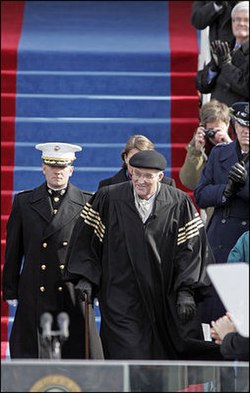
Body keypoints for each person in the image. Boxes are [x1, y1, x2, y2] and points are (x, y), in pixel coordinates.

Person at [64, 149, 222, 361]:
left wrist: (186, 289)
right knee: (127, 353)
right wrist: (86, 277)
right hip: (120, 294)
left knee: (163, 356)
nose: (140, 180)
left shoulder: (179, 203)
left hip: (163, 294)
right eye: (136, 174)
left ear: (160, 177)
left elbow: (192, 248)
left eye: (148, 176)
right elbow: (87, 239)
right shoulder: (108, 198)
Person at [2, 142, 103, 359]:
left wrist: (95, 286)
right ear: (43, 168)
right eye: (52, 166)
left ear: (71, 170)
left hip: (72, 288)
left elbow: (94, 251)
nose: (58, 172)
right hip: (35, 286)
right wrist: (10, 288)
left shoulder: (87, 202)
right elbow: (13, 249)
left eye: (63, 167)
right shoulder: (24, 202)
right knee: (33, 352)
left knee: (77, 350)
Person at [194, 102, 249, 322]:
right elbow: (200, 194)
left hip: (245, 240)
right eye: (243, 125)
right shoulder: (219, 154)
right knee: (212, 310)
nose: (246, 131)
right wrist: (225, 191)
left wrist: (244, 185)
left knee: (240, 310)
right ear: (234, 126)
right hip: (218, 238)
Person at [179, 99, 232, 224]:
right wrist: (196, 152)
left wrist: (228, 145)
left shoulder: (240, 138)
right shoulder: (201, 144)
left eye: (218, 130)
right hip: (215, 215)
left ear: (228, 124)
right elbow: (190, 182)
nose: (214, 135)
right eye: (210, 131)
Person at [195, 1, 249, 106]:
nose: (241, 23)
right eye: (237, 20)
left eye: (246, 20)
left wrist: (226, 64)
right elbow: (202, 85)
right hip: (215, 116)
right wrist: (213, 69)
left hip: (241, 118)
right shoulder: (226, 48)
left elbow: (246, 87)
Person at [98, 134, 176, 189]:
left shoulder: (167, 184)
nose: (138, 163)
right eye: (134, 158)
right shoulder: (106, 186)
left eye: (144, 158)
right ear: (125, 158)